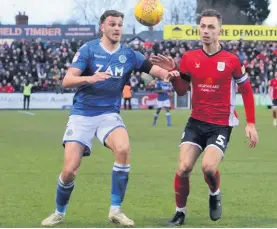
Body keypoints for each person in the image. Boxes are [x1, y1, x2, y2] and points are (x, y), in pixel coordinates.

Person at [41, 10, 177, 227]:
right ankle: (59, 211)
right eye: (112, 24)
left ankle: (116, 210)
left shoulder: (129, 54)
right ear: (102, 27)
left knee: (123, 149)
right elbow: (67, 80)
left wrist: (168, 72)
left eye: (120, 25)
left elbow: (155, 70)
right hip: (82, 114)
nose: (116, 28)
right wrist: (90, 78)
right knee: (69, 170)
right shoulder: (89, 50)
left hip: (108, 114)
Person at [151, 9, 258, 226]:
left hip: (221, 124)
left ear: (220, 31)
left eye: (211, 27)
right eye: (202, 26)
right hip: (196, 121)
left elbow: (246, 90)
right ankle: (180, 212)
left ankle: (214, 192)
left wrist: (251, 123)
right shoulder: (190, 58)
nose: (206, 31)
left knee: (208, 168)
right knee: (183, 168)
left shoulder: (232, 60)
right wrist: (173, 73)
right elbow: (182, 90)